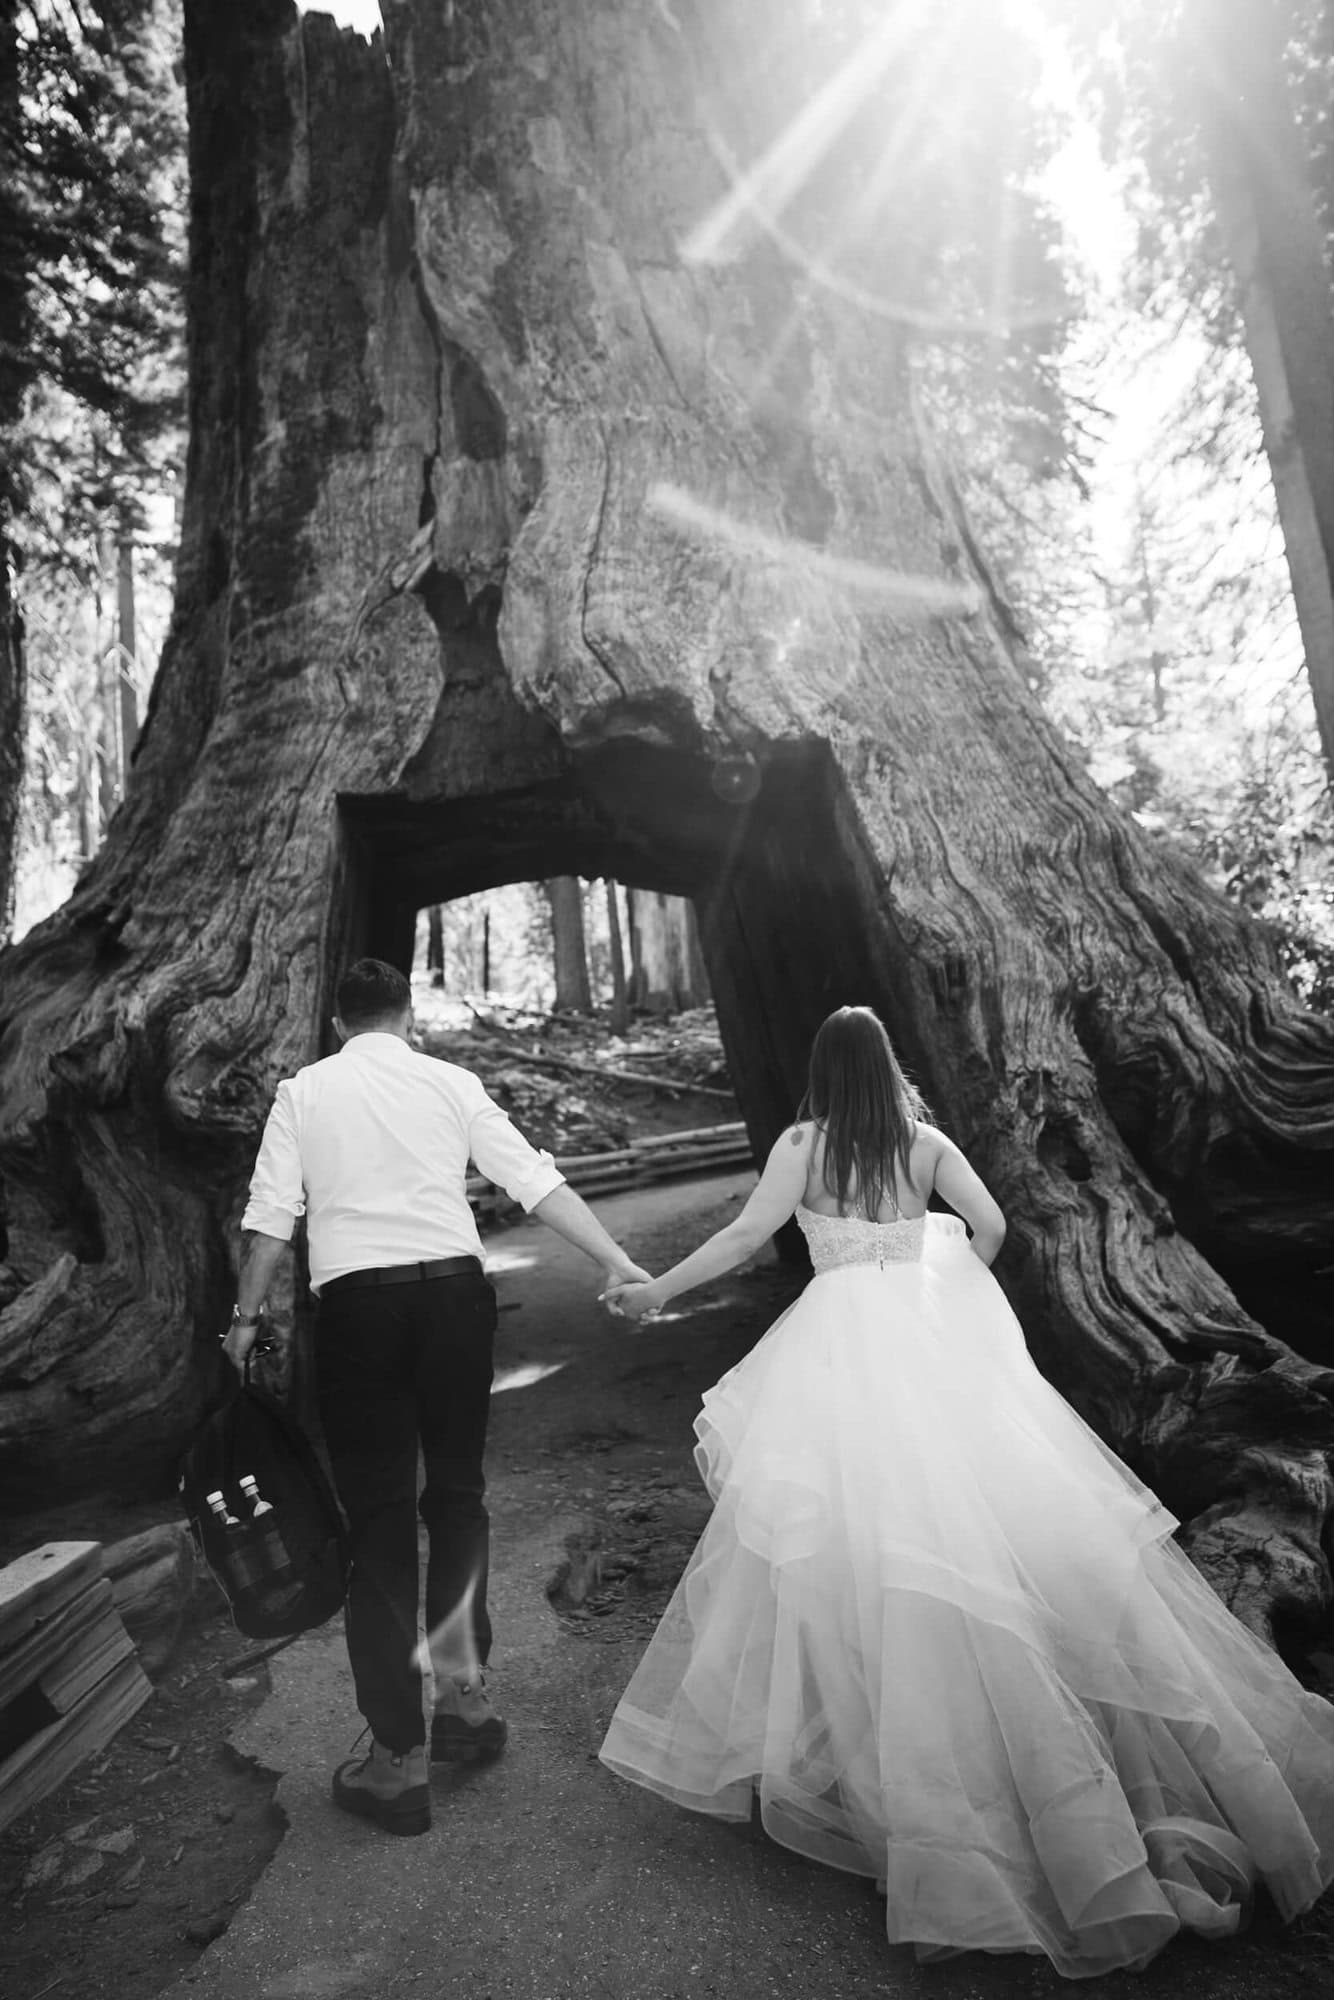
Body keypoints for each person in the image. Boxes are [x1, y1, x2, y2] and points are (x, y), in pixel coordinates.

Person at [599, 1004, 1334, 1978]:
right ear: (886, 1064)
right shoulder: (923, 1140)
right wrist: (940, 1290)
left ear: (821, 1069)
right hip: (924, 1342)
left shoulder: (799, 1143)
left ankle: (896, 1775)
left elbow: (744, 1232)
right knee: (983, 1534)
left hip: (835, 1353)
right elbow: (988, 1225)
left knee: (857, 1547)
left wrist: (655, 1290)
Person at [224, 957, 650, 1837]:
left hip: (361, 1312)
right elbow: (534, 1181)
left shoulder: (304, 1093)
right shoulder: (452, 1082)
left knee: (378, 1526)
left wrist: (243, 1322)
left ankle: (397, 1758)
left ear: (340, 1022)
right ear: (407, 1014)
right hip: (456, 1300)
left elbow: (272, 1219)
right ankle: (465, 1699)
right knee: (457, 1499)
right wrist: (618, 1262)